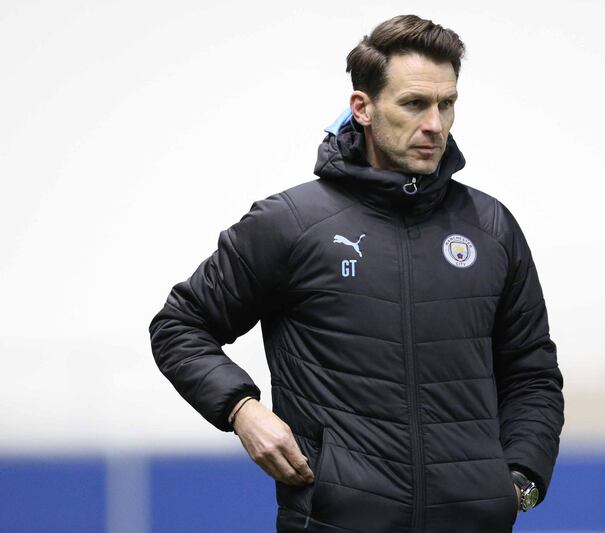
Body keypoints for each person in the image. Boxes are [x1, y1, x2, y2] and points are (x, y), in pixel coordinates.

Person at [149, 14, 564, 533]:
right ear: (363, 108)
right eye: (414, 104)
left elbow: (532, 373)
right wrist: (242, 411)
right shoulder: (291, 223)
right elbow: (178, 326)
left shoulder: (491, 227)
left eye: (447, 104)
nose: (434, 124)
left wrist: (519, 481)